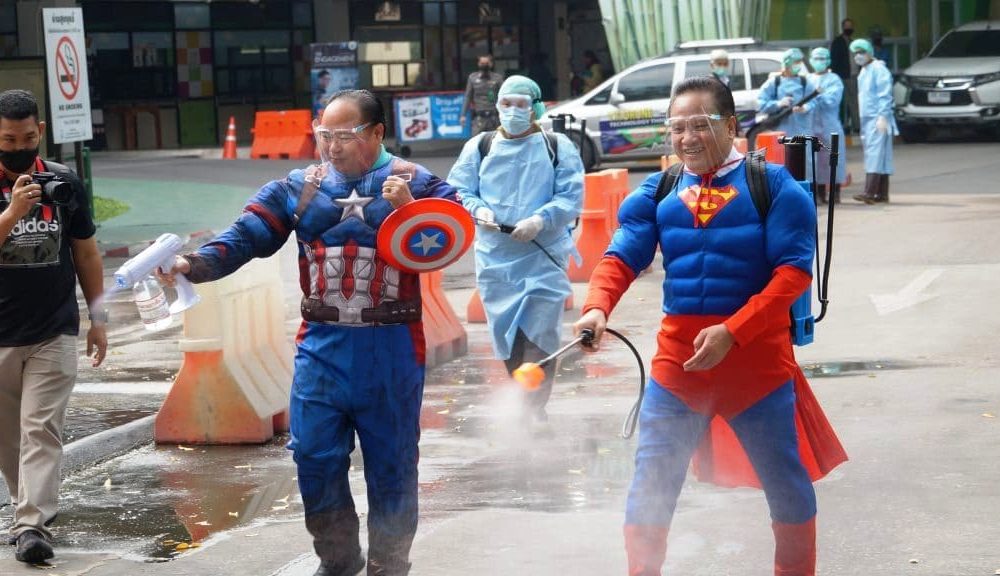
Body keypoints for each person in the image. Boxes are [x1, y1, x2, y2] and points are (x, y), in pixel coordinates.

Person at [159, 89, 457, 576]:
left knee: (393, 467)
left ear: (377, 133)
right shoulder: (298, 188)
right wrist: (191, 264)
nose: (332, 146)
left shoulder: (417, 182)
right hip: (322, 348)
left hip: (393, 349)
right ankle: (337, 560)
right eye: (325, 135)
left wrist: (409, 211)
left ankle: (389, 565)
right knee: (314, 457)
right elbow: (245, 236)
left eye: (345, 136)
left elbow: (452, 235)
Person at [573, 77, 847, 575]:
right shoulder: (657, 190)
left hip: (757, 371)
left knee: (785, 482)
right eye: (676, 127)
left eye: (700, 125)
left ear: (731, 125)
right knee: (650, 482)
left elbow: (793, 274)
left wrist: (734, 331)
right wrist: (596, 307)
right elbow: (621, 256)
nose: (686, 137)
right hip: (677, 372)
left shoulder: (775, 187)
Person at [0, 89, 107, 564]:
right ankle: (25, 508)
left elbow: (85, 251)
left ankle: (31, 525)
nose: (17, 145)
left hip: (54, 328)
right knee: (8, 438)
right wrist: (11, 214)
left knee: (41, 428)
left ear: (39, 132)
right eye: (7, 139)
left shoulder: (62, 181)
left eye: (25, 137)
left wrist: (97, 318)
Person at [447, 75, 583, 423]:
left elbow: (570, 196)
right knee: (507, 336)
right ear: (497, 106)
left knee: (540, 336)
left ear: (536, 107)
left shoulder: (557, 145)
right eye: (506, 104)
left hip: (543, 253)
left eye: (521, 104)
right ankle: (525, 399)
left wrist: (541, 219)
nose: (513, 111)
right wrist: (478, 210)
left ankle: (532, 408)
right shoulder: (480, 146)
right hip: (496, 258)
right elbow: (459, 190)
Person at [850, 39, 897, 205]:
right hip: (869, 117)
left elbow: (885, 94)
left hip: (878, 117)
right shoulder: (865, 70)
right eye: (856, 53)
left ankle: (869, 192)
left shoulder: (878, 69)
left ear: (870, 52)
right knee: (880, 155)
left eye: (861, 52)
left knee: (875, 154)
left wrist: (883, 115)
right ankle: (882, 194)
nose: (858, 56)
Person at [805, 47, 848, 203]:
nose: (819, 62)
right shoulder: (807, 78)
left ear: (828, 61)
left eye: (822, 59)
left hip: (830, 125)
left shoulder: (834, 79)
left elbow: (832, 100)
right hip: (811, 125)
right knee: (815, 162)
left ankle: (835, 193)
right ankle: (819, 194)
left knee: (833, 159)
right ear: (810, 60)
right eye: (816, 58)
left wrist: (816, 96)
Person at [757, 48, 817, 140]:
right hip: (781, 132)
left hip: (802, 133)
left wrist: (805, 108)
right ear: (787, 63)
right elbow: (761, 103)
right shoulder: (774, 82)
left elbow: (814, 102)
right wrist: (777, 104)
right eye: (796, 62)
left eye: (799, 62)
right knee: (783, 154)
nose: (798, 65)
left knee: (804, 154)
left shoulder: (805, 82)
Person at [460, 54, 504, 136]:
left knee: (495, 143)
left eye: (486, 63)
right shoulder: (472, 78)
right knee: (475, 144)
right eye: (482, 63)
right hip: (479, 118)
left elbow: (504, 97)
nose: (484, 65)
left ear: (491, 64)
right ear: (478, 64)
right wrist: (463, 115)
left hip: (494, 118)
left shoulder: (497, 78)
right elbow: (468, 97)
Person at [830, 18, 860, 134]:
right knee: (844, 102)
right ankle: (845, 125)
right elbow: (834, 60)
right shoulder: (838, 42)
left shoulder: (853, 42)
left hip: (854, 75)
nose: (849, 29)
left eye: (851, 26)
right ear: (843, 27)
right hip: (843, 76)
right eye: (847, 26)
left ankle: (856, 125)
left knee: (854, 101)